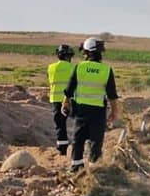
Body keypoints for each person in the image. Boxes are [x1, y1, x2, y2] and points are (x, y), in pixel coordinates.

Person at [61, 37, 120, 172]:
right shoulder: (106, 70)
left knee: (78, 138)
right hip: (98, 111)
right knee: (96, 140)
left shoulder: (79, 67)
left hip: (81, 110)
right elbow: (112, 94)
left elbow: (70, 89)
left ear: (87, 52)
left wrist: (65, 102)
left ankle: (76, 166)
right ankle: (94, 168)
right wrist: (114, 111)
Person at [47, 44, 75, 155]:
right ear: (69, 56)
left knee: (60, 125)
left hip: (55, 100)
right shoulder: (73, 68)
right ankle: (78, 148)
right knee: (78, 124)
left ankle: (62, 150)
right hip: (71, 100)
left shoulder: (51, 67)